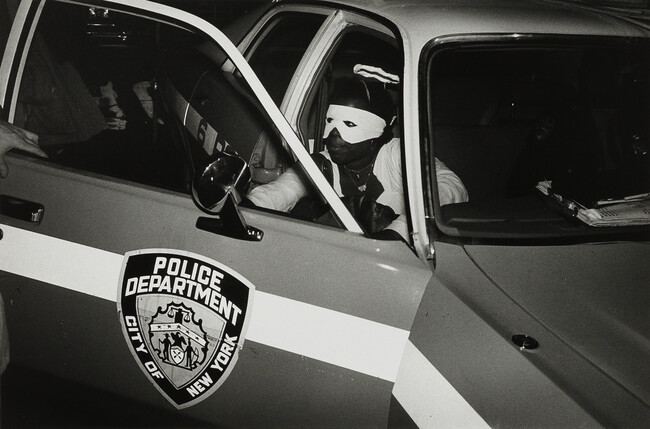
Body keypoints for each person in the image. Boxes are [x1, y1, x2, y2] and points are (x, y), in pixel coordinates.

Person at [247, 76, 468, 240]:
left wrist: (399, 232)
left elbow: (450, 186)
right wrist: (247, 206)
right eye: (330, 121)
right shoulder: (322, 165)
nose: (334, 134)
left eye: (350, 124)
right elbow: (281, 191)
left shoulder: (397, 155)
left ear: (378, 132)